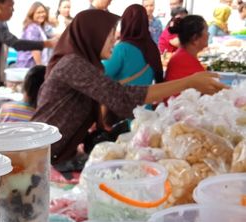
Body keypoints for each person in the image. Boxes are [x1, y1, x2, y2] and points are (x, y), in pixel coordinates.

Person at [30, 9, 227, 165]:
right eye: (108, 36)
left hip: (54, 153)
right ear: (92, 35)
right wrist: (188, 82)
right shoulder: (72, 64)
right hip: (39, 154)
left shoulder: (87, 65)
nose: (114, 42)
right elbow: (122, 97)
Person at [0, 0, 57, 92]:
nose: (13, 10)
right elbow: (16, 43)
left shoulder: (0, 24)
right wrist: (47, 43)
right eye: (10, 6)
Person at [103, 4, 163, 86]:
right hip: (146, 97)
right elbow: (159, 77)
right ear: (145, 23)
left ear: (124, 23)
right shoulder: (152, 47)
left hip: (123, 97)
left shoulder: (122, 48)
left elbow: (103, 74)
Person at [165, 15, 208, 81]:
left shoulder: (183, 55)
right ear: (195, 38)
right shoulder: (185, 62)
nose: (208, 34)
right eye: (206, 30)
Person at [16, 2, 51, 68]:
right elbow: (35, 49)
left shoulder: (39, 27)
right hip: (29, 66)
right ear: (32, 14)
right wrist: (40, 68)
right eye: (38, 12)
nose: (42, 14)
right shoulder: (32, 28)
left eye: (43, 12)